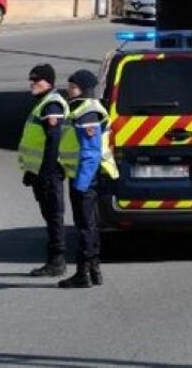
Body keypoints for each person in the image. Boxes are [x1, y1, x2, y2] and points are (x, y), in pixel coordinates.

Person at [56, 69, 118, 289]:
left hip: (85, 178)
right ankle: (94, 269)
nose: (68, 90)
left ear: (84, 89)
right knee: (89, 224)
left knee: (85, 226)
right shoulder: (82, 109)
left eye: (72, 87)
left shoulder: (87, 112)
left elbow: (91, 153)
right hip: (83, 176)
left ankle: (83, 273)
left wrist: (81, 184)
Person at [17, 63, 69, 277]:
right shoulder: (43, 103)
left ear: (48, 82)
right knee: (49, 214)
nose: (32, 84)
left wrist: (46, 171)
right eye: (31, 79)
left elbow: (53, 139)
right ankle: (55, 259)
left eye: (36, 80)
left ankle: (57, 261)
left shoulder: (52, 105)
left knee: (54, 215)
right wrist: (31, 171)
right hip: (40, 172)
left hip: (50, 172)